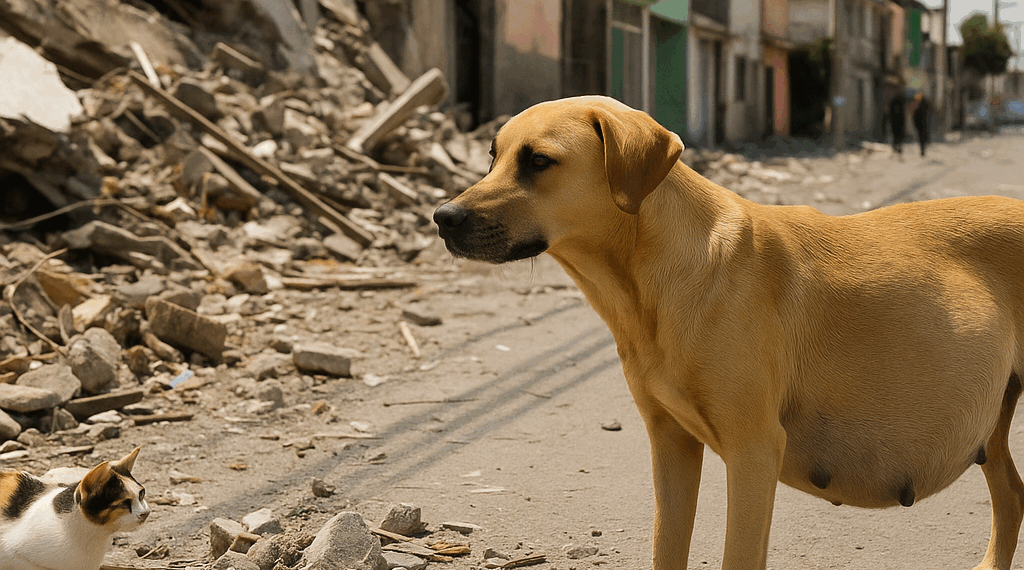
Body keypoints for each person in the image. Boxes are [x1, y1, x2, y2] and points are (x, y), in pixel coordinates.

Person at [911, 92, 931, 157]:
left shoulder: (919, 105)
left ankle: (923, 149)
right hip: (923, 124)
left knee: (922, 137)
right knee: (923, 137)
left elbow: (914, 114)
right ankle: (923, 149)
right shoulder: (924, 105)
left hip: (921, 124)